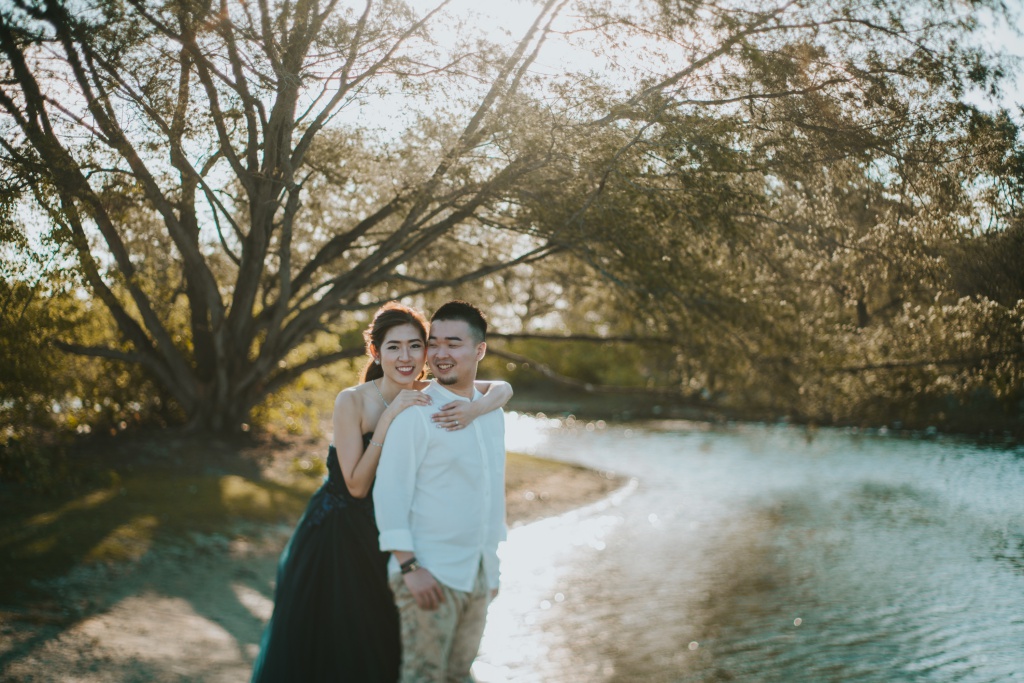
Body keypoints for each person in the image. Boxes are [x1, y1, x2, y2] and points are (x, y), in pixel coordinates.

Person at [251, 302, 512, 682]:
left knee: (390, 637)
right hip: (341, 529)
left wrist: (477, 410)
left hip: (386, 527)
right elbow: (355, 486)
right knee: (341, 639)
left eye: (415, 346)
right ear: (376, 352)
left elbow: (500, 388)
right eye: (394, 347)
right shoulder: (353, 400)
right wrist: (388, 420)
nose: (406, 357)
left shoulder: (424, 392)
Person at [373, 300, 507, 683]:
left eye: (454, 343)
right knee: (424, 677)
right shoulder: (416, 412)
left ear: (479, 349)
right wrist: (409, 567)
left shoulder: (491, 412)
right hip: (429, 574)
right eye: (434, 343)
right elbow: (390, 491)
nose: (440, 354)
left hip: (477, 571)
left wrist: (491, 567)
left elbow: (490, 490)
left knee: (459, 675)